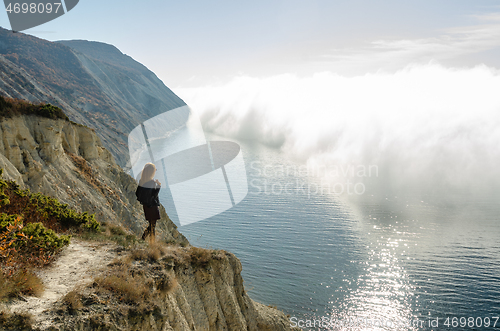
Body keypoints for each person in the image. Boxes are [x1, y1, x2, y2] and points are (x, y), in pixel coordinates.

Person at [135, 163, 161, 242]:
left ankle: (143, 240)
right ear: (151, 172)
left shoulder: (142, 181)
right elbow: (154, 195)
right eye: (154, 170)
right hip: (152, 206)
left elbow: (137, 194)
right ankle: (150, 243)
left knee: (151, 226)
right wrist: (158, 186)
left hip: (146, 206)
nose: (155, 172)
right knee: (152, 226)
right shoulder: (152, 183)